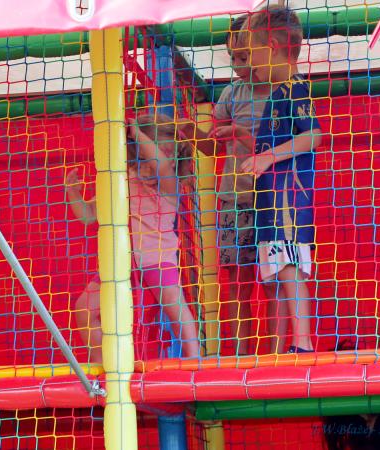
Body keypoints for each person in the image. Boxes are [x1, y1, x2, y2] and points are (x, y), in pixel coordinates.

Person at [66, 114, 200, 363]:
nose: (156, 162)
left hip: (157, 259)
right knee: (84, 309)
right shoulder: (122, 180)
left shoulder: (168, 184)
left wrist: (136, 132)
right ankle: (103, 362)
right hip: (121, 261)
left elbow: (160, 164)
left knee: (175, 308)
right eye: (145, 156)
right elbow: (88, 214)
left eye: (167, 155)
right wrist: (73, 193)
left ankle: (194, 360)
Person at [181, 14, 272, 355]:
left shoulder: (282, 91)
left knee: (275, 278)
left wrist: (241, 134)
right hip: (234, 196)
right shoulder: (232, 93)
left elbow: (283, 147)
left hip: (271, 197)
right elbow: (211, 147)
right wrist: (189, 130)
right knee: (237, 280)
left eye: (244, 57)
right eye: (233, 57)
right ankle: (241, 354)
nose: (238, 65)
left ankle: (274, 354)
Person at [239, 6, 323, 353]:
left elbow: (313, 135)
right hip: (271, 200)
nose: (249, 64)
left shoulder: (294, 88)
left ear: (272, 46)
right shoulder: (277, 93)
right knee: (276, 271)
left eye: (251, 53)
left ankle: (302, 343)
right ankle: (279, 349)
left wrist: (267, 157)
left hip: (288, 198)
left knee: (289, 266)